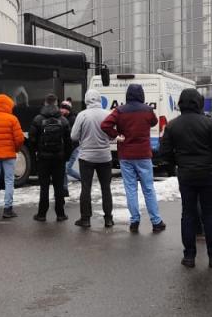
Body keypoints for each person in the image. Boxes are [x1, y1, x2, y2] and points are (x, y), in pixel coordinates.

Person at [158, 87, 212, 269]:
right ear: (198, 102)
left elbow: (164, 153)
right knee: (210, 213)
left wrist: (178, 162)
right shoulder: (209, 123)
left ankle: (189, 256)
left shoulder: (172, 125)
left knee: (187, 213)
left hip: (185, 173)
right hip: (208, 172)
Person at [102, 83, 165, 233]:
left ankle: (134, 221)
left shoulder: (119, 110)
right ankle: (156, 222)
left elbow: (105, 125)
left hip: (126, 155)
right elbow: (154, 122)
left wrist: (117, 135)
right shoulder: (147, 110)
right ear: (141, 95)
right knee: (148, 189)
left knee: (131, 189)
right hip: (143, 154)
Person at [71, 88, 115, 227]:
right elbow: (112, 135)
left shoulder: (82, 115)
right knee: (106, 188)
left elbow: (74, 136)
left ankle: (85, 219)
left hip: (87, 157)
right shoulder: (107, 114)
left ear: (86, 100)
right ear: (99, 99)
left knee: (86, 188)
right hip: (105, 157)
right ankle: (108, 218)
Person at [29, 94, 71, 222]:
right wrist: (65, 156)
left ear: (45, 103)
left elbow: (32, 140)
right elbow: (68, 141)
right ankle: (60, 213)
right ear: (56, 103)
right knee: (58, 186)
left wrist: (37, 153)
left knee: (44, 187)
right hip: (59, 158)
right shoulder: (63, 120)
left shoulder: (37, 119)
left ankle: (42, 214)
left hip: (43, 159)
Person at [61, 100, 81, 189]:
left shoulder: (72, 119)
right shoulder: (64, 118)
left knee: (66, 169)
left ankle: (64, 188)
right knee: (66, 169)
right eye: (60, 108)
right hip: (68, 147)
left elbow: (72, 136)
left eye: (63, 108)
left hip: (73, 147)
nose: (61, 110)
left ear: (67, 109)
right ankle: (81, 178)